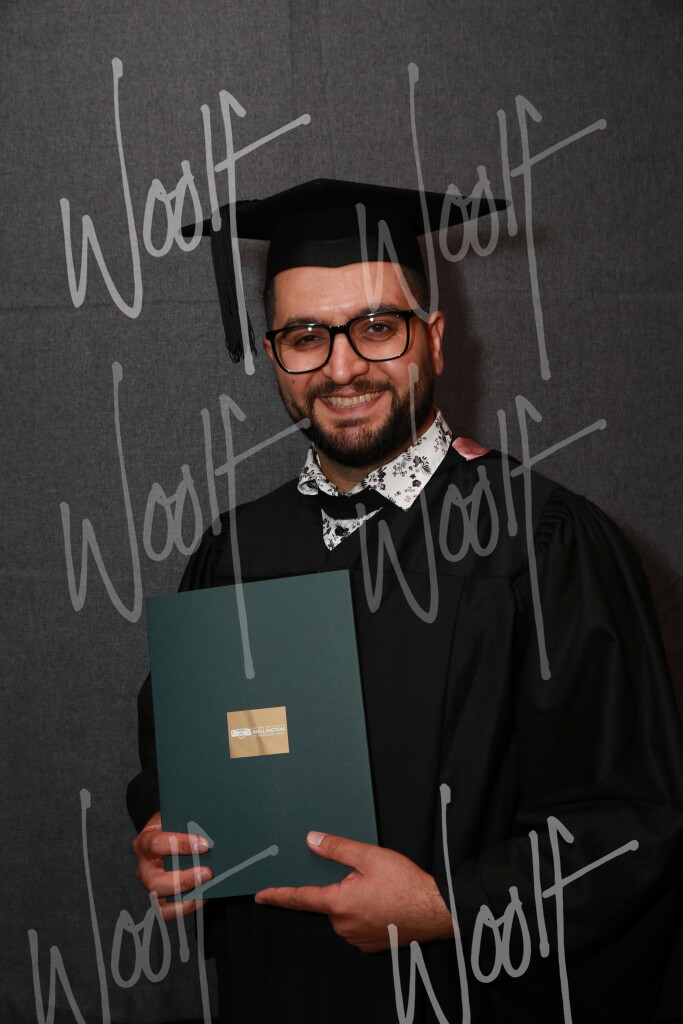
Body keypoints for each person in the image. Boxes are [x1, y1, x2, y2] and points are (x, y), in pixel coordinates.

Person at [128, 179, 683, 1023]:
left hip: (467, 993)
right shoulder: (233, 551)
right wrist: (165, 829)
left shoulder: (540, 544)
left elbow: (633, 819)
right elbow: (178, 758)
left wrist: (451, 905)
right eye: (305, 337)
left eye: (377, 327)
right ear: (274, 356)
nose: (342, 367)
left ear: (435, 338)